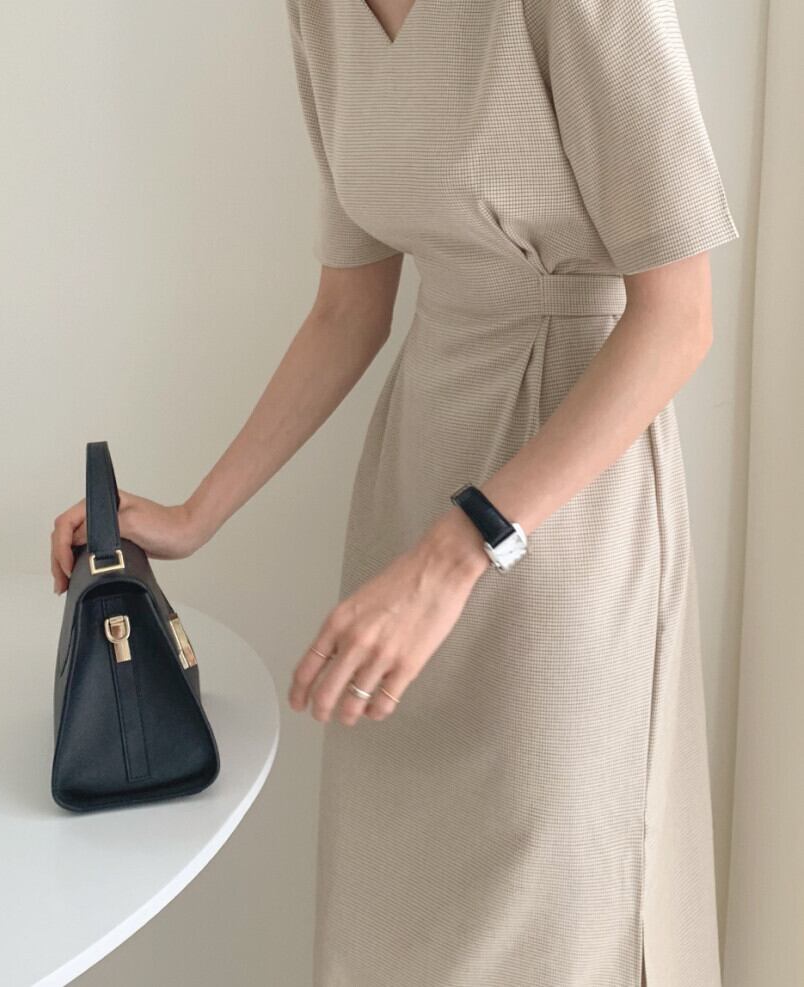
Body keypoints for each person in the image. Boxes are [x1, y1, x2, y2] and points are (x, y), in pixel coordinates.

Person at [51, 0, 740, 983]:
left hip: (563, 503)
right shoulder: (318, 12)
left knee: (552, 910)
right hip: (416, 475)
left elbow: (677, 319)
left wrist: (461, 548)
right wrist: (197, 515)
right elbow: (348, 308)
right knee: (392, 912)